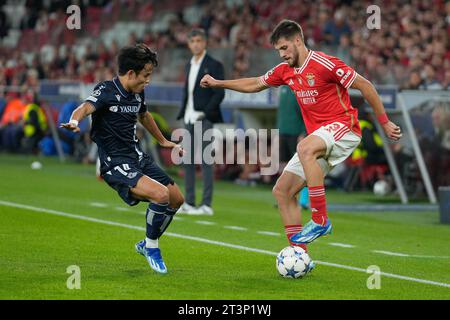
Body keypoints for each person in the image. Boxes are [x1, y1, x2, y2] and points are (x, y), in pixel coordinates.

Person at [200, 20, 401, 253]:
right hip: (320, 136)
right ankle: (299, 254)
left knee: (305, 148)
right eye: (278, 50)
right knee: (282, 191)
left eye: (284, 48)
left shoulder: (324, 64)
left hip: (344, 127)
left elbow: (365, 86)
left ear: (298, 41)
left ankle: (320, 220)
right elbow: (255, 83)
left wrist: (385, 123)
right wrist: (218, 83)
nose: (282, 54)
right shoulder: (285, 71)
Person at [61, 44, 185, 274]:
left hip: (137, 157)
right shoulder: (107, 90)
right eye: (146, 75)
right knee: (161, 195)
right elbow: (85, 107)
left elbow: (144, 115)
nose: (148, 80)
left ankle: (146, 242)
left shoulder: (138, 92)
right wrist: (75, 121)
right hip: (115, 162)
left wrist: (162, 140)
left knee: (177, 199)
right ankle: (152, 246)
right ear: (131, 73)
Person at [176, 28, 225, 216]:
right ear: (189, 44)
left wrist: (204, 112)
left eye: (198, 40)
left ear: (204, 42)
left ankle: (206, 205)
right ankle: (188, 202)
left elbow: (219, 92)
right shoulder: (189, 65)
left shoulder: (214, 64)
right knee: (187, 161)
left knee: (205, 161)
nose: (195, 44)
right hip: (188, 116)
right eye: (192, 41)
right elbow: (187, 91)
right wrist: (184, 112)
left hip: (204, 118)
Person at [277, 85, 309, 210]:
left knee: (302, 167)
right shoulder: (283, 87)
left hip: (296, 133)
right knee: (284, 166)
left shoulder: (301, 88)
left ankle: (303, 201)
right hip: (283, 131)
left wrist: (304, 132)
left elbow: (306, 113)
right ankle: (285, 197)